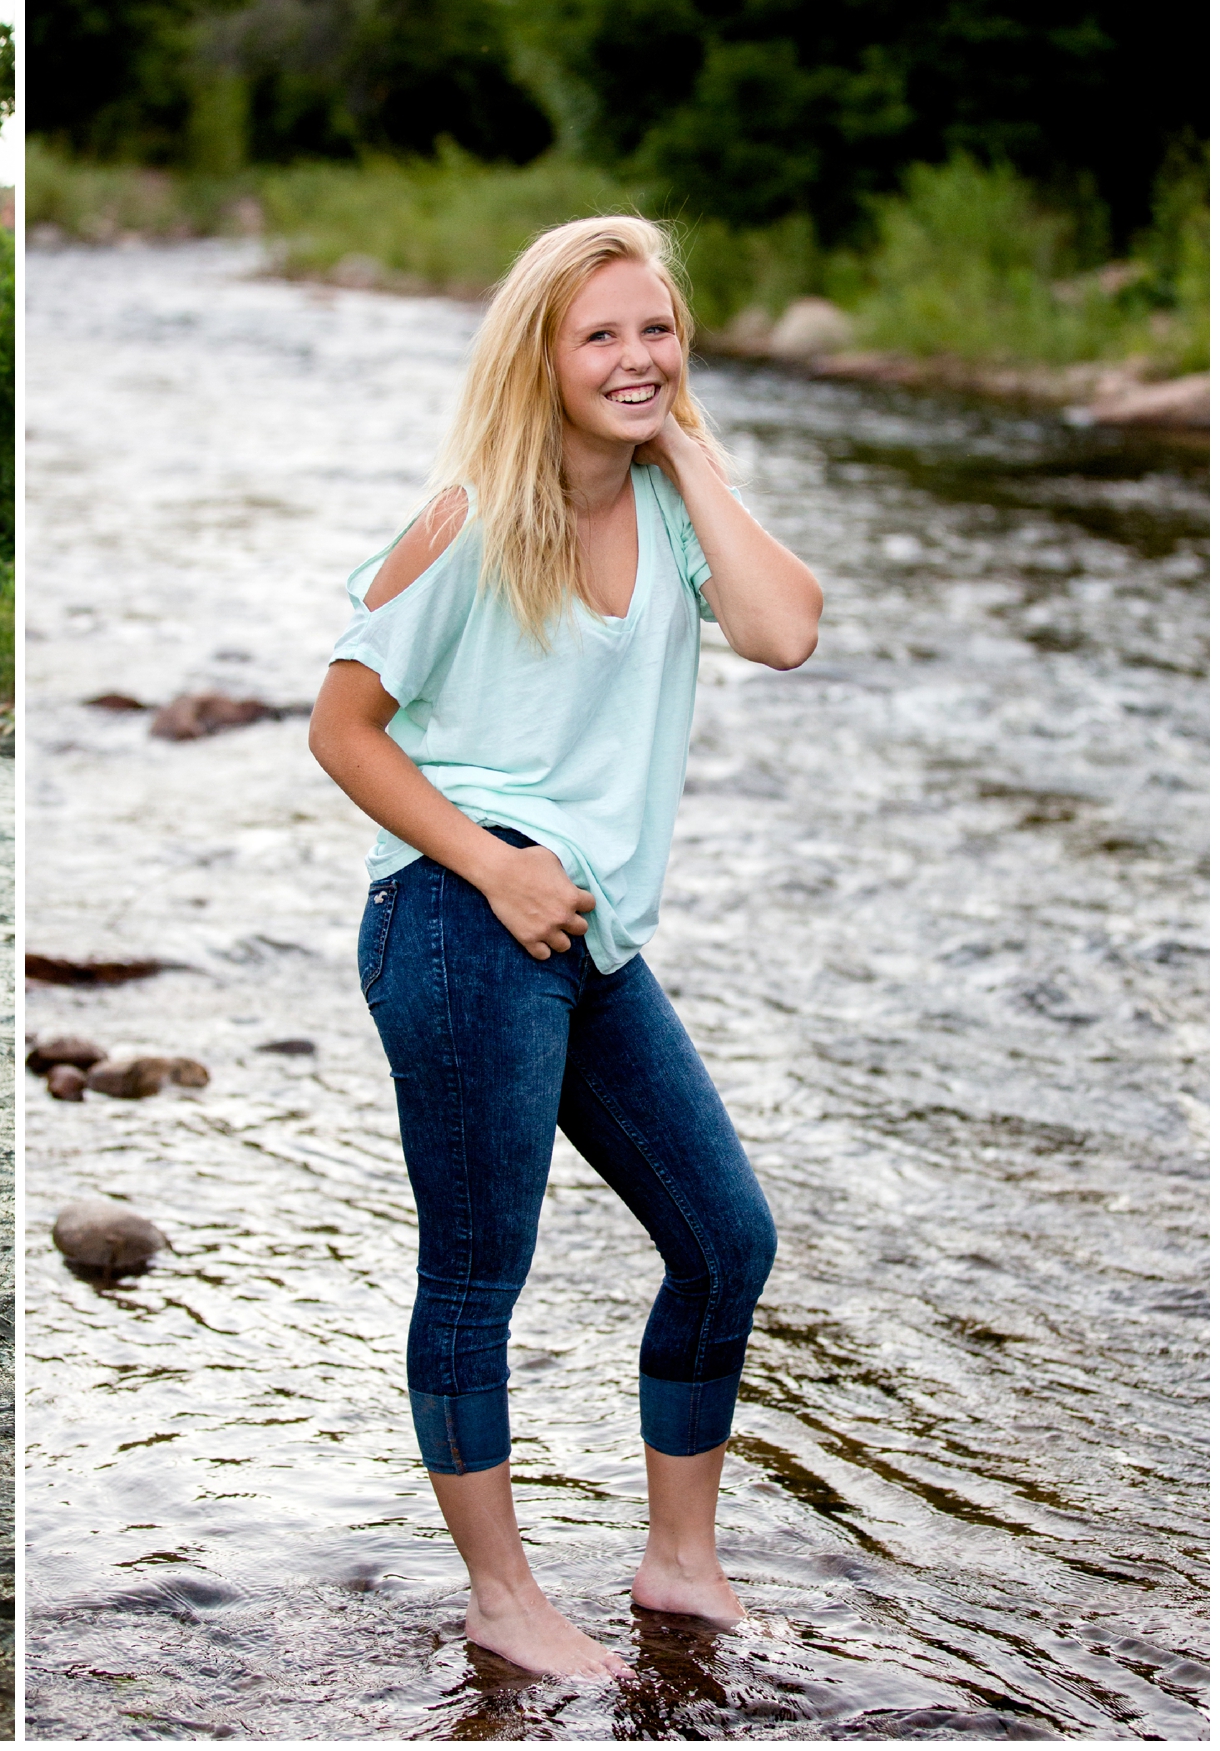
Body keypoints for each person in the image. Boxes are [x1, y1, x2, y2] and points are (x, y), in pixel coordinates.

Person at [307, 216, 823, 1677]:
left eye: (656, 330)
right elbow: (340, 728)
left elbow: (784, 630)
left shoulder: (669, 510)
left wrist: (689, 452)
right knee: (480, 1266)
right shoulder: (469, 519)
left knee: (727, 1240)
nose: (634, 357)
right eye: (600, 335)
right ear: (542, 354)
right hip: (459, 918)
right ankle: (503, 1594)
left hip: (587, 935)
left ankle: (677, 1560)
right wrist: (494, 862)